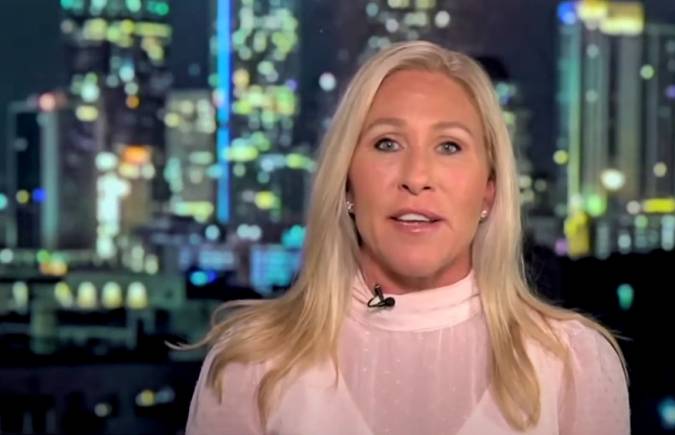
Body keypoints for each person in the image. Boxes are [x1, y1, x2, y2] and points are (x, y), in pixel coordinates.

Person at [184, 41, 630, 435]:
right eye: (387, 144)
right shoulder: (251, 364)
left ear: (489, 191)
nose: (416, 177)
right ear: (346, 183)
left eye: (449, 146)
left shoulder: (573, 364)